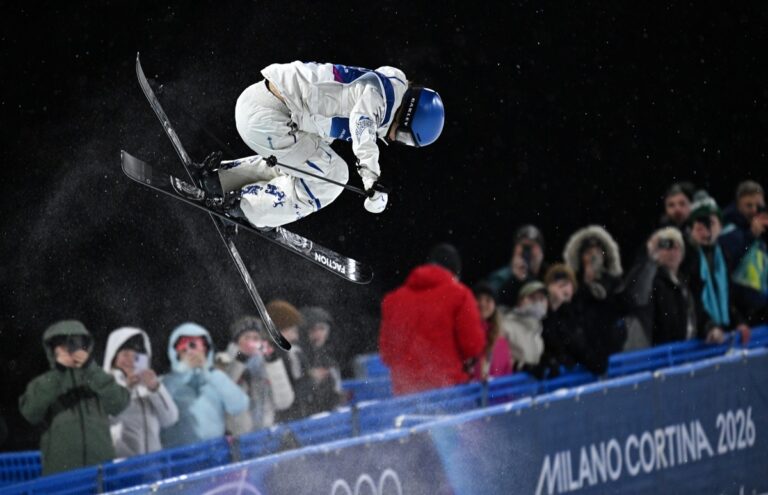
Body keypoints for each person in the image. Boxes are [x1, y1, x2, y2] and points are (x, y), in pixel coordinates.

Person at [193, 62, 445, 229]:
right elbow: (362, 124)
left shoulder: (385, 88)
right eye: (404, 137)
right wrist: (371, 178)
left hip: (260, 106)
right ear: (407, 116)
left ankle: (221, 181)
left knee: (309, 165)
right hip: (269, 117)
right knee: (334, 175)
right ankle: (245, 206)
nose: (396, 141)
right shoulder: (380, 98)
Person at [19, 320, 130, 475]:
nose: (69, 348)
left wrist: (90, 367)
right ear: (53, 349)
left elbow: (119, 404)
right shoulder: (45, 383)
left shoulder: (96, 378)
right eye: (62, 344)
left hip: (100, 473)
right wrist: (59, 371)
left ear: (86, 346)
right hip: (62, 477)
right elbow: (30, 412)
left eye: (75, 343)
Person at [379, 243, 485, 395]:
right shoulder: (460, 295)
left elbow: (387, 355)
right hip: (449, 393)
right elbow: (473, 346)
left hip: (405, 395)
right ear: (454, 273)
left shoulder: (393, 300)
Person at [160, 323, 249, 448]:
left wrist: (208, 372)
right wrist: (182, 371)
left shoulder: (215, 378)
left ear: (206, 349)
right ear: (176, 352)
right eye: (184, 347)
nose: (191, 352)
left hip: (215, 452)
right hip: (179, 455)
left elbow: (239, 405)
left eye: (196, 345)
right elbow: (162, 408)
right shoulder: (166, 382)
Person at [683, 192, 751, 345]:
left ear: (720, 226)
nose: (705, 229)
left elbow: (729, 296)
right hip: (698, 338)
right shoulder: (686, 257)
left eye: (711, 223)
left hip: (720, 333)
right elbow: (691, 300)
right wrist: (708, 326)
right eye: (699, 223)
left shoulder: (724, 255)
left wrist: (738, 321)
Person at [103, 327, 179, 457]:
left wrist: (155, 389)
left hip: (153, 464)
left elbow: (170, 419)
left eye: (136, 356)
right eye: (125, 354)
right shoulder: (105, 386)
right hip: (123, 465)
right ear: (114, 357)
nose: (131, 360)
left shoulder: (148, 387)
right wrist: (126, 389)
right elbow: (105, 420)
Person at [562, 225, 628, 374]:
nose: (593, 257)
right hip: (586, 362)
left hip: (615, 356)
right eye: (588, 253)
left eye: (598, 252)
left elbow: (626, 307)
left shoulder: (614, 282)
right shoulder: (573, 287)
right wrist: (587, 284)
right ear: (580, 258)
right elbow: (573, 316)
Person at [215, 316, 295, 435]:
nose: (251, 342)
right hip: (237, 437)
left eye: (255, 338)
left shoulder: (267, 363)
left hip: (266, 433)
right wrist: (241, 358)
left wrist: (273, 361)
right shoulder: (223, 359)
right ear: (237, 341)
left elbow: (284, 402)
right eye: (247, 337)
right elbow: (220, 394)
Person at [624, 228, 698, 346]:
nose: (672, 252)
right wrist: (650, 256)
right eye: (667, 246)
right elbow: (637, 296)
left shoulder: (683, 284)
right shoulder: (650, 279)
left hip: (679, 350)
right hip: (656, 352)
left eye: (677, 247)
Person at [267, 300, 311, 422]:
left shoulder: (293, 352)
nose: (295, 336)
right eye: (292, 331)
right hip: (286, 417)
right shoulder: (283, 354)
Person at [299, 306, 346, 415]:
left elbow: (336, 391)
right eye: (313, 329)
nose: (318, 334)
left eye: (322, 328)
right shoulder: (299, 356)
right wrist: (310, 378)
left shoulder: (329, 358)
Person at [500, 281, 548, 373]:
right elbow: (498, 360)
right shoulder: (506, 326)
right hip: (512, 380)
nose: (537, 303)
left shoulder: (537, 329)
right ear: (520, 301)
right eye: (532, 298)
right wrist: (521, 367)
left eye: (541, 298)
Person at [472, 283, 513, 380]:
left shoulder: (501, 340)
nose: (482, 303)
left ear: (494, 305)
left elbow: (506, 374)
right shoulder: (465, 333)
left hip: (496, 389)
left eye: (488, 300)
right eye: (478, 299)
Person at [720, 180, 767, 263]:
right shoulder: (727, 227)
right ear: (738, 205)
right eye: (749, 205)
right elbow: (728, 259)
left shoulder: (760, 229)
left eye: (759, 206)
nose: (754, 210)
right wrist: (751, 235)